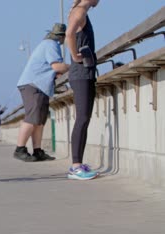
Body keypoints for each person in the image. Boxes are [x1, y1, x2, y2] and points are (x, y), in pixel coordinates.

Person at [14, 23, 70, 162]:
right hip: (34, 85)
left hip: (39, 85)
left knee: (39, 121)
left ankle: (38, 151)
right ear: (63, 36)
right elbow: (57, 66)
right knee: (32, 118)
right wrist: (75, 66)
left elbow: (53, 70)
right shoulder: (52, 44)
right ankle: (19, 149)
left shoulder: (47, 43)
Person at [65, 0, 100, 180]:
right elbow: (68, 35)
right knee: (82, 118)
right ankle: (75, 166)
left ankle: (78, 164)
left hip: (84, 73)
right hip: (81, 73)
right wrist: (75, 56)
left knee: (84, 118)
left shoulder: (79, 11)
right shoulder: (79, 11)